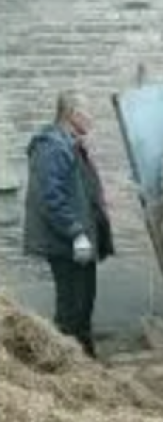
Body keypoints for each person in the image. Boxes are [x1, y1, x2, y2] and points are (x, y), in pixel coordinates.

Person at [23, 91, 114, 357]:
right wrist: (76, 232)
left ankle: (88, 366)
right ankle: (67, 368)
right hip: (66, 242)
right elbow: (50, 199)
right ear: (72, 114)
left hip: (80, 239)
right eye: (88, 112)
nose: (92, 118)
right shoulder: (51, 146)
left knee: (84, 304)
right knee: (71, 308)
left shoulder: (72, 144)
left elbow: (78, 190)